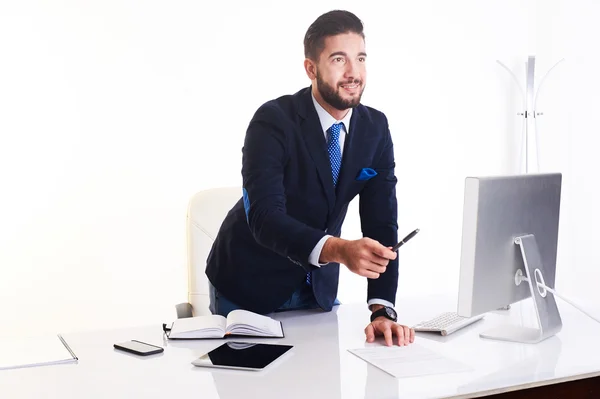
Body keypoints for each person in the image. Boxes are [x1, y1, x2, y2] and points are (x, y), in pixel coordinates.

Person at [205, 9, 415, 347]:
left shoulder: (375, 128)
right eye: (338, 60)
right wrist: (340, 249)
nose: (354, 73)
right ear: (311, 68)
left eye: (360, 58)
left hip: (318, 288)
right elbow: (264, 217)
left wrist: (382, 310)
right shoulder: (273, 121)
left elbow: (382, 226)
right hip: (247, 283)